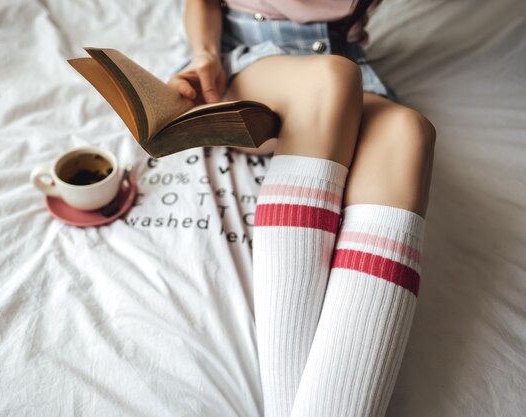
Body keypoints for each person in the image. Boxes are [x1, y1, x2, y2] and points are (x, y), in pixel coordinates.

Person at [167, 1, 436, 416]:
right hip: (247, 65)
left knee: (409, 131)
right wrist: (204, 55)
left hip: (346, 63)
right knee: (330, 80)